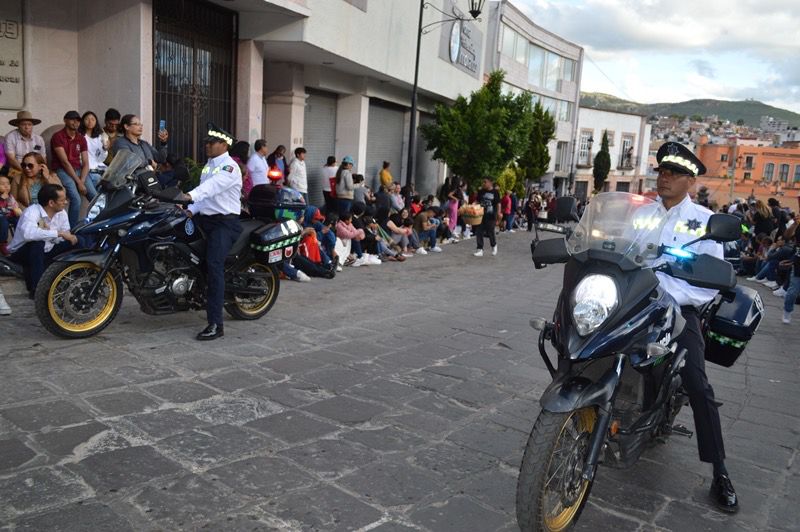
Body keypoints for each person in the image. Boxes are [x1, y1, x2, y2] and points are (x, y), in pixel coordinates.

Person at [650, 141, 738, 512]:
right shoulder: (641, 212)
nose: (664, 177)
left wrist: (669, 291)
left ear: (691, 180)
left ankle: (720, 471)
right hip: (631, 301)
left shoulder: (703, 221)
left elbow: (709, 282)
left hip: (678, 310)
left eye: (674, 173)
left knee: (698, 385)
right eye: (661, 171)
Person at [181, 123, 242, 341]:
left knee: (214, 265)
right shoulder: (209, 166)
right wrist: (189, 209)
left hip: (224, 223)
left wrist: (189, 196)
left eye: (212, 142)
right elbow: (206, 198)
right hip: (205, 218)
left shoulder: (229, 167)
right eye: (206, 142)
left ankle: (216, 324)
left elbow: (211, 188)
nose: (207, 145)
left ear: (224, 145)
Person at [8, 183, 82, 298]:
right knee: (38, 243)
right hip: (23, 251)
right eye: (62, 200)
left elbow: (65, 234)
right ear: (51, 203)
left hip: (48, 249)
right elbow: (29, 234)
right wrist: (58, 233)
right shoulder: (31, 212)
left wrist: (67, 237)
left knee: (78, 240)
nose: (66, 202)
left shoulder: (61, 213)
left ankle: (78, 281)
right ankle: (38, 290)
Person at [50, 110, 94, 227]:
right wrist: (79, 182)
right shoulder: (58, 136)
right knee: (76, 199)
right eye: (72, 119)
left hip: (79, 170)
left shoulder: (81, 138)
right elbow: (64, 162)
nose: (75, 122)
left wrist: (82, 180)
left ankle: (96, 226)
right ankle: (71, 229)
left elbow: (86, 162)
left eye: (78, 120)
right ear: (65, 120)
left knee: (94, 197)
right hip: (62, 170)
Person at [4, 110, 46, 177]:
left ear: (32, 125)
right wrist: (26, 171)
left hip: (35, 170)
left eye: (29, 124)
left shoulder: (39, 139)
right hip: (17, 169)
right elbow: (11, 159)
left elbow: (43, 158)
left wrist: (40, 170)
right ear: (18, 125)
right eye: (23, 124)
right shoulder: (10, 137)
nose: (27, 127)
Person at [79, 111, 107, 191]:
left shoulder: (100, 136)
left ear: (96, 121)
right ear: (83, 121)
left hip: (99, 167)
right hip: (87, 168)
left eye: (92, 119)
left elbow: (100, 159)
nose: (90, 121)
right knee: (98, 181)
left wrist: (104, 149)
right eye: (87, 119)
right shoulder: (80, 136)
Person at [473, 178, 499, 257]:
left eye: (485, 182)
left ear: (490, 183)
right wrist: (472, 205)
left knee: (490, 231)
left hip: (491, 215)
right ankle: (480, 249)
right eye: (483, 182)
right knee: (479, 231)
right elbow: (477, 201)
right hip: (480, 214)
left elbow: (498, 204)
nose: (483, 183)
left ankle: (494, 245)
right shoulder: (481, 191)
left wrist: (499, 214)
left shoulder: (495, 192)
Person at [0, 175, 22, 255]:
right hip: (1, 216)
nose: (6, 186)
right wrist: (2, 198)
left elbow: (15, 205)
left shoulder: (10, 196)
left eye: (8, 184)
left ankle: (18, 240)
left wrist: (16, 209)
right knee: (4, 222)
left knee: (18, 220)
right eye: (2, 184)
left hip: (9, 215)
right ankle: (2, 242)